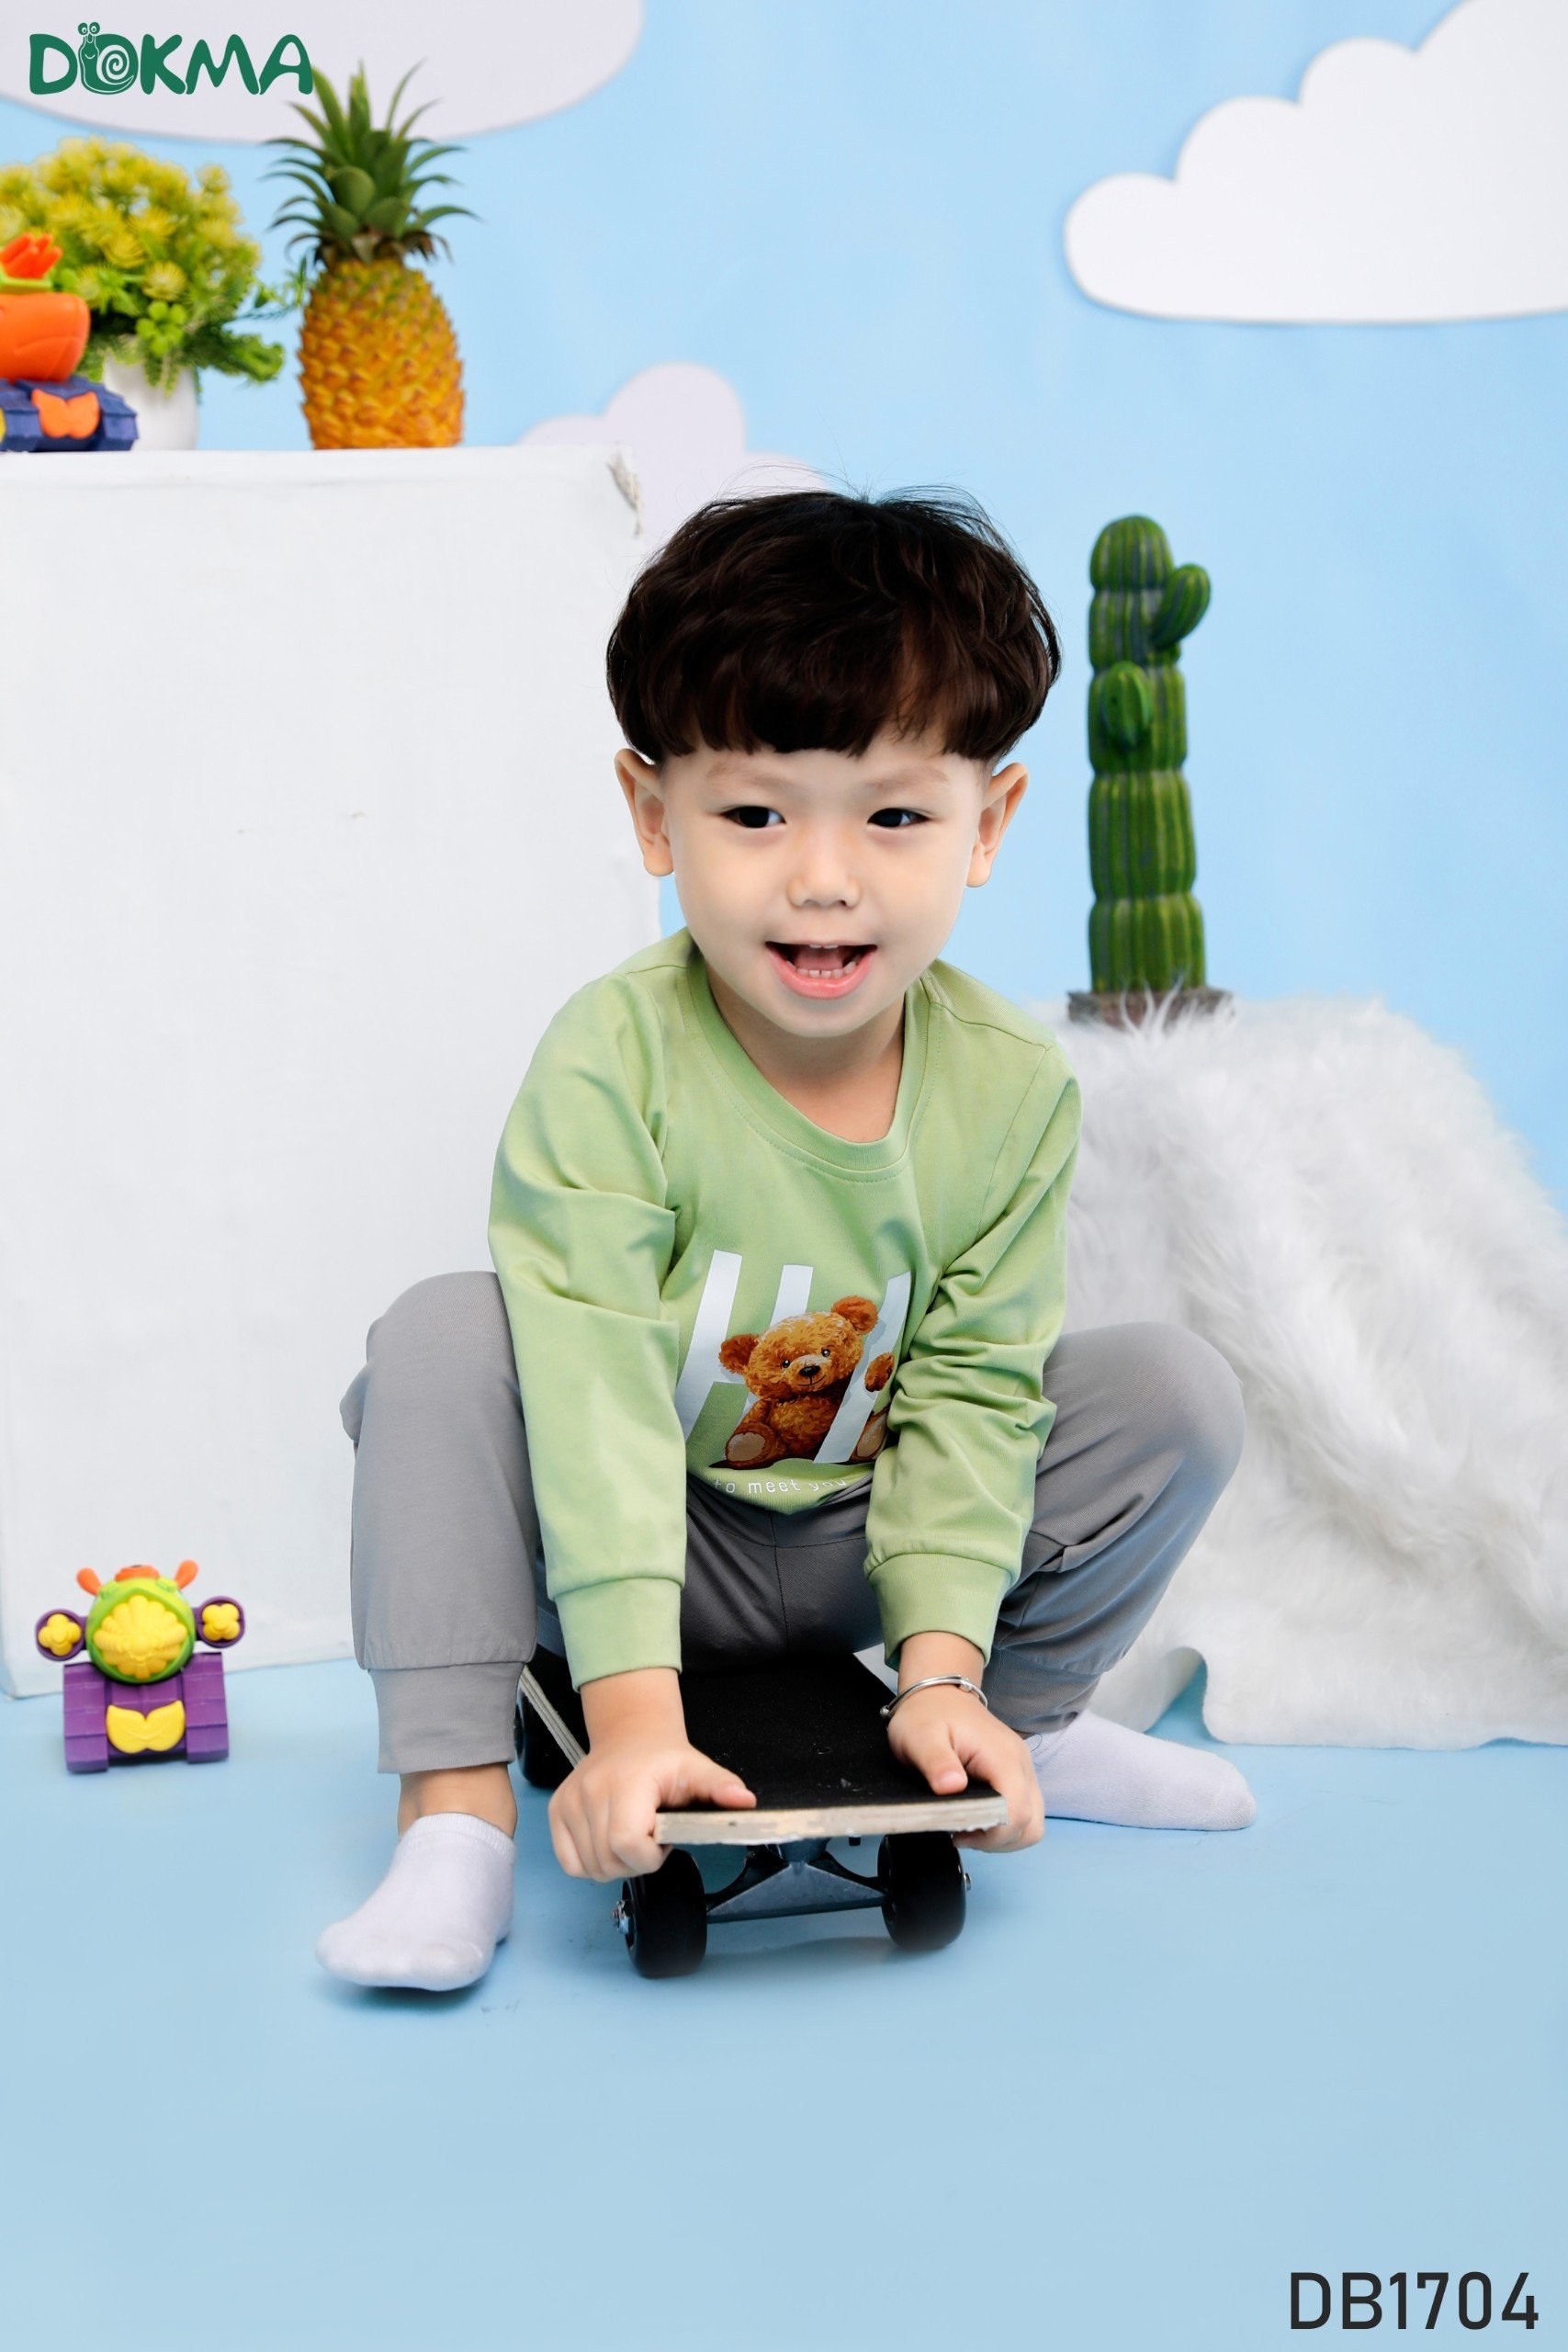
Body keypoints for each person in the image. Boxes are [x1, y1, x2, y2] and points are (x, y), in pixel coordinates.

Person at [317, 486, 1254, 1993]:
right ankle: (456, 1817)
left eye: (895, 816)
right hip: (646, 1539)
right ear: (653, 817)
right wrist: (631, 1715)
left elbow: (976, 1389)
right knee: (444, 1333)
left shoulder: (1011, 1086)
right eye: (754, 815)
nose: (823, 877)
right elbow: (594, 1386)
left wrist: (942, 1665)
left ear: (989, 824)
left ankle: (1025, 1722)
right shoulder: (615, 1057)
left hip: (854, 1545)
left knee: (1174, 1392)